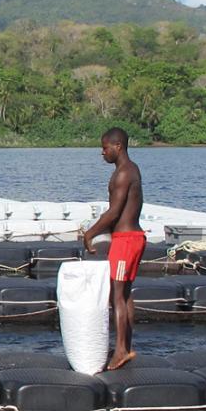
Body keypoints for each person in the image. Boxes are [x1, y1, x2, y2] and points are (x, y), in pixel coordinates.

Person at [77, 127, 144, 370]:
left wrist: (90, 233)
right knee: (124, 294)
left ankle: (121, 350)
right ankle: (125, 346)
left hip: (126, 241)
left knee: (116, 295)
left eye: (105, 148)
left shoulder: (123, 174)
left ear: (118, 147)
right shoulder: (131, 169)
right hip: (131, 238)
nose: (102, 152)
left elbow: (114, 212)